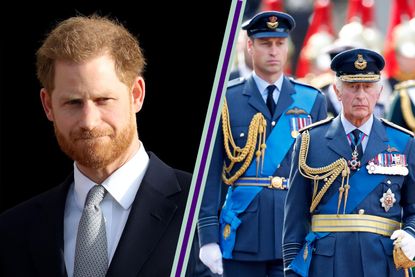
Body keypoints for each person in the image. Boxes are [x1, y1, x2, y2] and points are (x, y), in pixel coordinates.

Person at [0, 15, 193, 277]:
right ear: (48, 105)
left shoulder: (203, 208)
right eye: (73, 103)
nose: (89, 122)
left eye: (103, 100)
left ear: (136, 95)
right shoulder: (13, 230)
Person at [197, 11, 327, 277]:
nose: (274, 51)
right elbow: (209, 173)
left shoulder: (312, 100)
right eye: (266, 43)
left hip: (292, 235)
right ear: (250, 46)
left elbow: (320, 176)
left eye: (280, 43)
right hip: (241, 234)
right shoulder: (225, 99)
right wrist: (207, 235)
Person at [283, 48, 415, 277]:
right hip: (326, 266)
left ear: (380, 91)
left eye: (368, 87)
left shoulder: (404, 141)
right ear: (337, 91)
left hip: (381, 264)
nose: (361, 95)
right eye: (353, 87)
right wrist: (292, 270)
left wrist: (412, 234)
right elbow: (295, 218)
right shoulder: (310, 141)